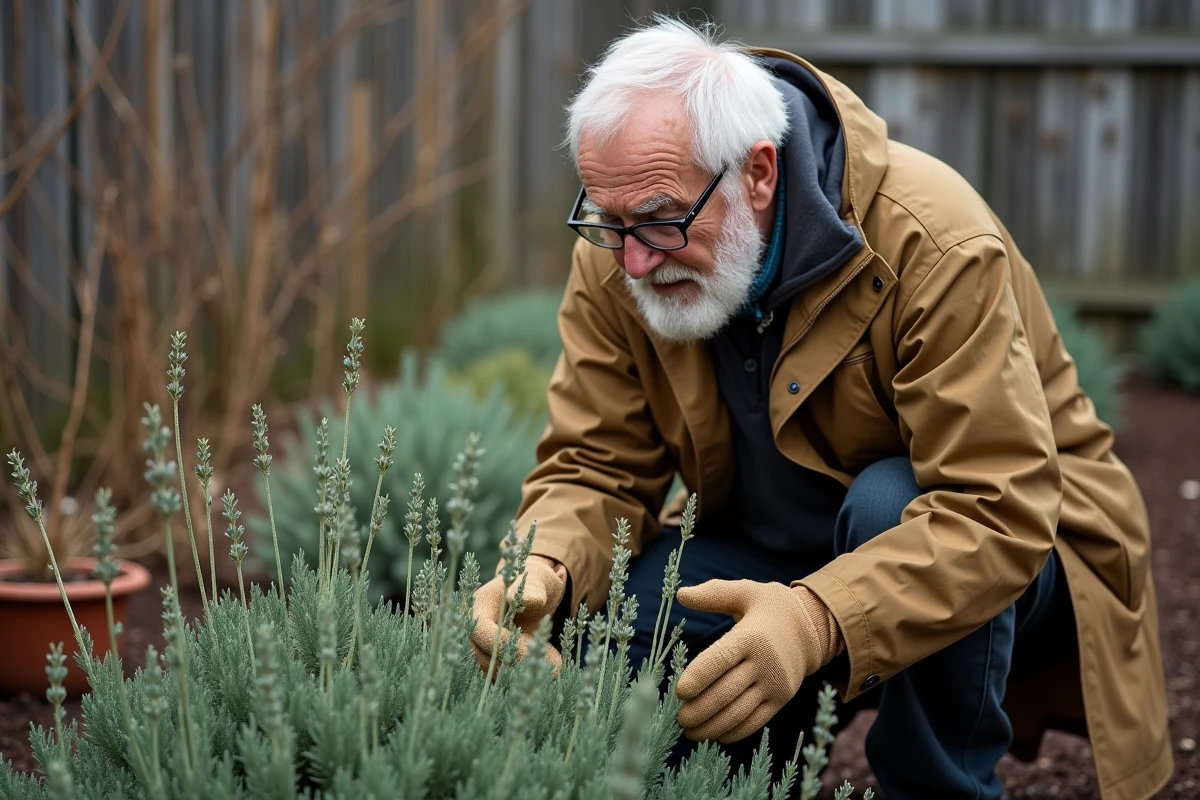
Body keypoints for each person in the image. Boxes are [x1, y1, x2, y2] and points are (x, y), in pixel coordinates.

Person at [469, 17, 1172, 800]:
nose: (635, 258)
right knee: (636, 632)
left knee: (887, 503)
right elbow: (595, 463)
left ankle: (938, 787)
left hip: (1011, 546)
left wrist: (814, 623)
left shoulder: (931, 242)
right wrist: (542, 564)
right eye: (611, 221)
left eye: (662, 219)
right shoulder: (623, 255)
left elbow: (994, 509)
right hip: (769, 548)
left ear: (759, 174)